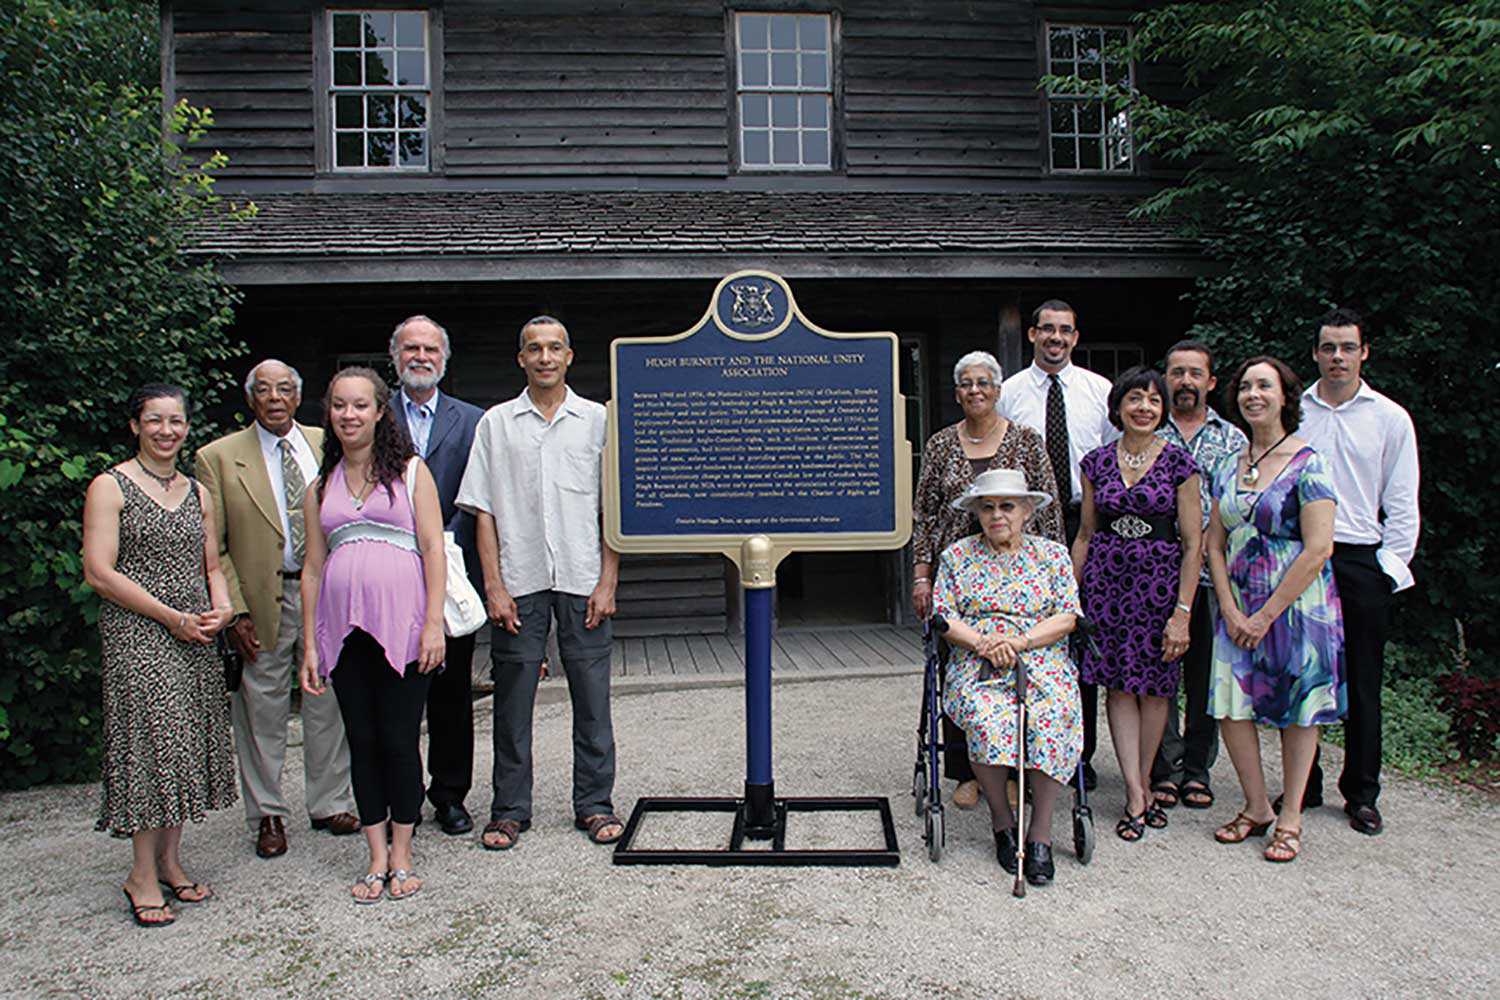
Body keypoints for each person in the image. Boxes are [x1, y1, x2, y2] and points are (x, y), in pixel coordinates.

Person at [456, 315, 622, 851]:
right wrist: (494, 587)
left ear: (569, 357)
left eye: (554, 348)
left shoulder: (598, 422)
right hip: (520, 578)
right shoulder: (497, 424)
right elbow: (483, 512)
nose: (545, 357)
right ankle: (509, 810)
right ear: (521, 359)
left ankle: (595, 805)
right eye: (534, 348)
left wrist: (608, 581)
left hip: (583, 578)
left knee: (593, 701)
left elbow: (612, 511)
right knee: (512, 702)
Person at [83, 385, 238, 926]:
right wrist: (169, 617)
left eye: (176, 421)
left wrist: (223, 610)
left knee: (185, 746)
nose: (166, 430)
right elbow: (100, 572)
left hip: (194, 633)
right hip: (142, 635)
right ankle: (140, 875)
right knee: (153, 746)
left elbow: (212, 566)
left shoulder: (198, 492)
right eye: (155, 420)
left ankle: (171, 863)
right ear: (135, 425)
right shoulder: (112, 485)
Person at [195, 360, 358, 860]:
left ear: (298, 396)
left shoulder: (324, 442)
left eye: (285, 389)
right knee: (261, 706)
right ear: (251, 399)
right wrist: (235, 610)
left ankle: (329, 801)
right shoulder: (217, 457)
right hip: (260, 598)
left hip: (326, 593)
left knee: (327, 698)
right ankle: (267, 812)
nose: (274, 398)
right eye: (263, 390)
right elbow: (212, 544)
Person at [299, 367, 447, 903]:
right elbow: (313, 569)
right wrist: (311, 644)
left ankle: (404, 852)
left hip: (404, 628)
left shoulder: (410, 472)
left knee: (399, 739)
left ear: (381, 411)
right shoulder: (320, 485)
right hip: (343, 633)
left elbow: (433, 547)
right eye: (339, 405)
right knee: (361, 741)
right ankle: (375, 855)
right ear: (329, 413)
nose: (349, 415)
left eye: (360, 405)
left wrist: (434, 624)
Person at [1206, 356, 1344, 864]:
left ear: (1287, 396)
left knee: (1297, 708)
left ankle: (1291, 818)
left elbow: (1319, 548)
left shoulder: (1310, 462)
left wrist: (1266, 615)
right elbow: (1213, 543)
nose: (1252, 395)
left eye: (1264, 386)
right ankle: (1257, 805)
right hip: (1236, 602)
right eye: (1245, 387)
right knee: (1231, 706)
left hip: (1297, 607)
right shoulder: (1230, 464)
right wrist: (1228, 605)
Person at [911, 350, 1063, 810]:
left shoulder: (1027, 440)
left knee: (1025, 674)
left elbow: (1050, 508)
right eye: (966, 383)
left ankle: (1016, 769)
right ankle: (967, 771)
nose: (975, 390)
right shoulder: (940, 445)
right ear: (956, 392)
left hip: (1019, 575)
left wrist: (1055, 575)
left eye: (984, 383)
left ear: (998, 390)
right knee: (961, 665)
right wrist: (922, 575)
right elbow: (924, 513)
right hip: (959, 576)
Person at [1296, 307, 1420, 836]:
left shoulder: (1389, 418)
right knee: (1305, 676)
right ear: (1317, 353)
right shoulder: (1295, 410)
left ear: (1364, 352)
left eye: (1348, 347)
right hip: (1301, 557)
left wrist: (1388, 571)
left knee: (1363, 681)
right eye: (1329, 347)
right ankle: (1306, 782)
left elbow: (1402, 502)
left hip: (1358, 556)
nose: (1338, 357)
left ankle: (1362, 791)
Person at [932, 468, 1082, 886]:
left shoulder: (1052, 555)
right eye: (988, 507)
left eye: (1007, 506)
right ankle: (1002, 820)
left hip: (1040, 655)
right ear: (977, 513)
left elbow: (1068, 615)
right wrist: (984, 642)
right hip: (976, 657)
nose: (998, 515)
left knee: (1053, 712)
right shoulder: (957, 557)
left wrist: (1020, 642)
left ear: (1028, 511)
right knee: (986, 716)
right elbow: (943, 617)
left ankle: (1040, 833)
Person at [1072, 366, 1202, 842]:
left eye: (1152, 400)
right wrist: (1072, 597)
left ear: (1163, 409)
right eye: (1134, 399)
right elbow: (1086, 533)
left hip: (1159, 586)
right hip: (1106, 587)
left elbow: (1193, 544)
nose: (1143, 407)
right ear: (1119, 407)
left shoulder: (1180, 464)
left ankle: (1145, 780)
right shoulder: (1095, 462)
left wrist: (1182, 612)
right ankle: (1134, 791)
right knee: (1118, 689)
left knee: (1156, 690)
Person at [999, 299, 1116, 789]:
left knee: (1077, 635)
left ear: (1075, 336)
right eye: (1047, 330)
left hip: (1085, 521)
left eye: (1065, 331)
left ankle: (1077, 753)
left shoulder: (1099, 391)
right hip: (1024, 527)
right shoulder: (1008, 393)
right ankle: (1016, 752)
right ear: (1031, 335)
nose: (1056, 339)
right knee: (1025, 630)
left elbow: (1113, 457)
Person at [388, 315, 486, 836]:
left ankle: (449, 794)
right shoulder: (372, 416)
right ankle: (398, 794)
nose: (420, 356)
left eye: (429, 348)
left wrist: (442, 542)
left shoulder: (472, 420)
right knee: (397, 690)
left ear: (444, 359)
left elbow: (481, 497)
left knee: (451, 696)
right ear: (396, 356)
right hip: (389, 572)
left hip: (453, 575)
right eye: (411, 349)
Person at [1148, 341, 1246, 813]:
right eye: (1176, 373)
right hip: (1156, 576)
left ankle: (1197, 769)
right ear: (1165, 379)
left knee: (1205, 678)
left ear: (1210, 382)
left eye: (1194, 374)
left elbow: (1238, 506)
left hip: (1213, 577)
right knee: (1160, 675)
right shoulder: (1148, 432)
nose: (1184, 382)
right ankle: (1164, 768)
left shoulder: (1233, 440)